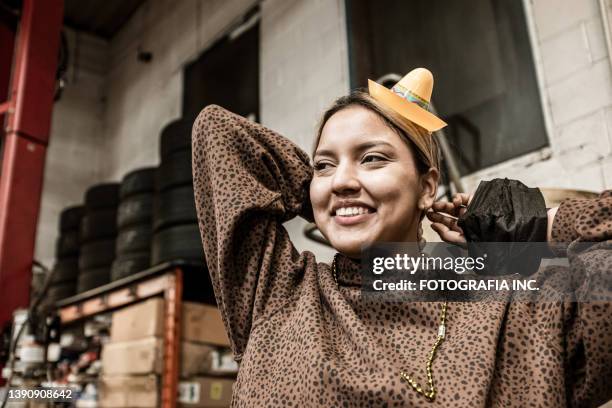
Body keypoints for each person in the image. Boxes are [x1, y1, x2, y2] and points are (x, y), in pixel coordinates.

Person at [191, 68, 612, 407]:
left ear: (428, 186)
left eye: (372, 158)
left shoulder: (525, 311)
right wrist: (329, 196)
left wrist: (541, 226)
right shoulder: (277, 295)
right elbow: (218, 133)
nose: (341, 180)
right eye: (324, 165)